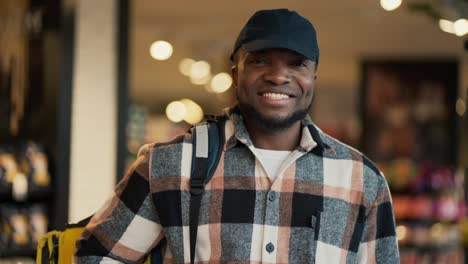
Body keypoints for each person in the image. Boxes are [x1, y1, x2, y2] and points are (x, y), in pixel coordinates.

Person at [75, 9, 399, 263]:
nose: (277, 75)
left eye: (296, 64)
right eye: (260, 60)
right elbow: (98, 254)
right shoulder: (171, 165)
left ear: (312, 77)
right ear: (235, 74)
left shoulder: (361, 180)